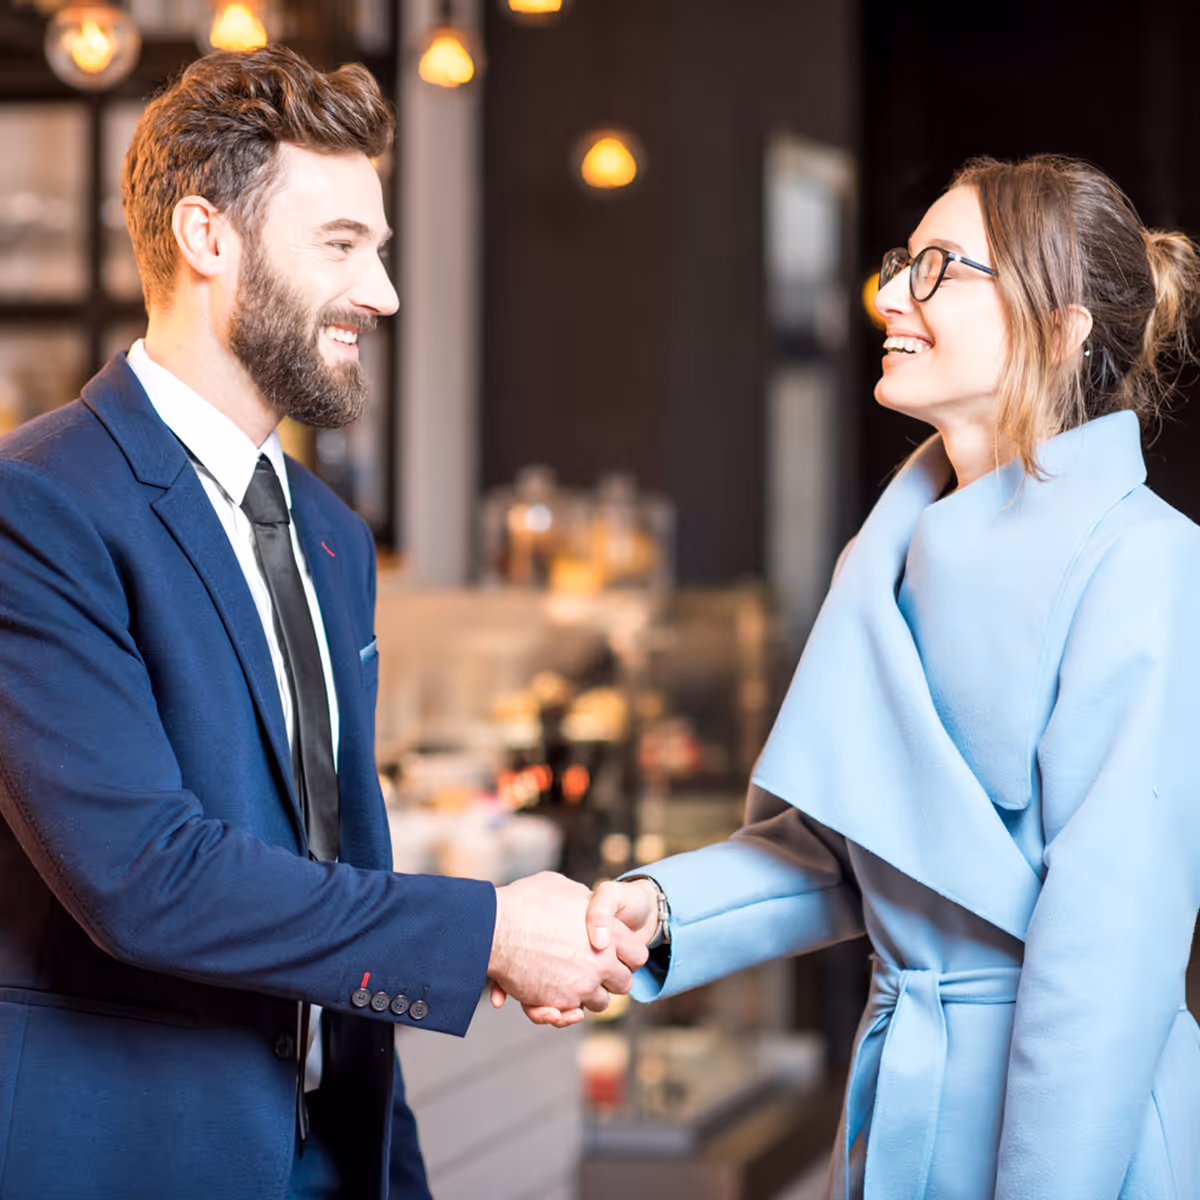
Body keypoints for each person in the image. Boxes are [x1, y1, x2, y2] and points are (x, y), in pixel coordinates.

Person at [0, 46, 640, 1200]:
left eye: (380, 250)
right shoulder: (37, 508)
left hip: (333, 1155)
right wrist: (485, 934)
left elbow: (338, 857)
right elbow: (146, 876)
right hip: (135, 1157)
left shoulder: (331, 536)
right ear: (207, 239)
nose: (383, 293)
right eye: (342, 246)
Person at [582, 155, 1200, 1198]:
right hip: (901, 1113)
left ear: (1062, 328)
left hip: (1068, 1137)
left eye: (940, 269)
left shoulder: (1146, 563)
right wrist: (661, 908)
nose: (890, 296)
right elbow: (843, 852)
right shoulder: (893, 554)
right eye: (899, 263)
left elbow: (1107, 961)